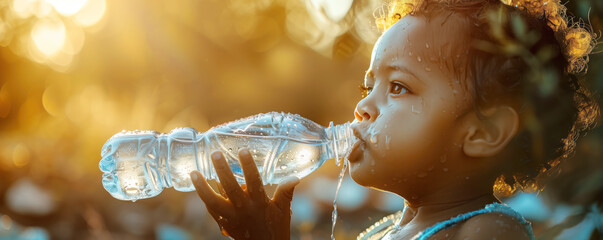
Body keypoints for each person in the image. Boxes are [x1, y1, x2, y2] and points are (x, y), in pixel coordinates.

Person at [189, 0, 599, 239]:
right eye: (368, 87)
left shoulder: (489, 232)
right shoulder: (380, 231)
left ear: (481, 131)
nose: (363, 108)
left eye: (398, 87)